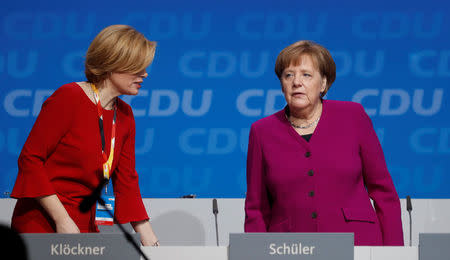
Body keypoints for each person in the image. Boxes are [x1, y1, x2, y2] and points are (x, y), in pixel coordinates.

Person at [10, 25, 159, 246]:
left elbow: (126, 180)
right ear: (113, 64)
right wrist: (62, 219)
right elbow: (30, 159)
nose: (145, 74)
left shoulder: (125, 115)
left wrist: (147, 234)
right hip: (43, 223)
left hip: (85, 226)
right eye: (138, 67)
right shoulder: (69, 97)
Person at [244, 40, 404, 246]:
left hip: (357, 243)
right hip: (289, 247)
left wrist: (394, 253)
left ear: (324, 83)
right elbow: (256, 208)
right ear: (281, 84)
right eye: (288, 75)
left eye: (306, 74)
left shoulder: (353, 117)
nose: (296, 82)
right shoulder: (262, 131)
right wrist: (256, 254)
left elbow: (384, 193)